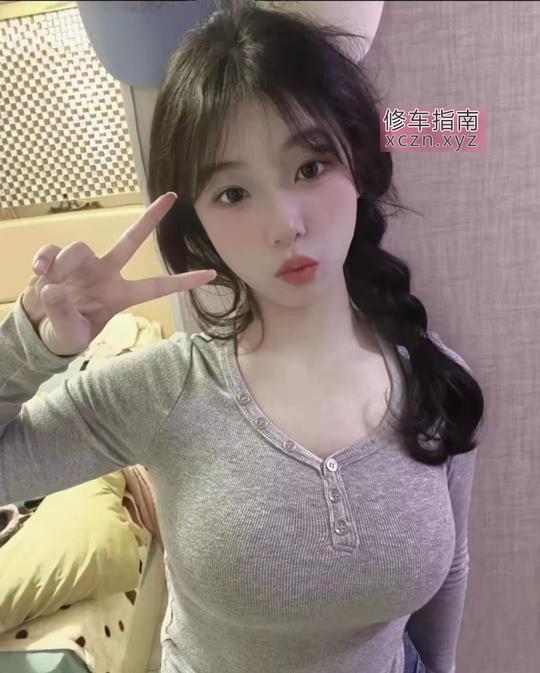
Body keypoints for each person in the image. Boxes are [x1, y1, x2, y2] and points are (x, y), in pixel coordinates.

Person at [0, 1, 484, 672]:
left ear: (357, 166)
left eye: (309, 168)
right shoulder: (166, 389)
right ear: (197, 223)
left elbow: (451, 569)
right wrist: (31, 344)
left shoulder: (436, 379)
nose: (285, 224)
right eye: (233, 193)